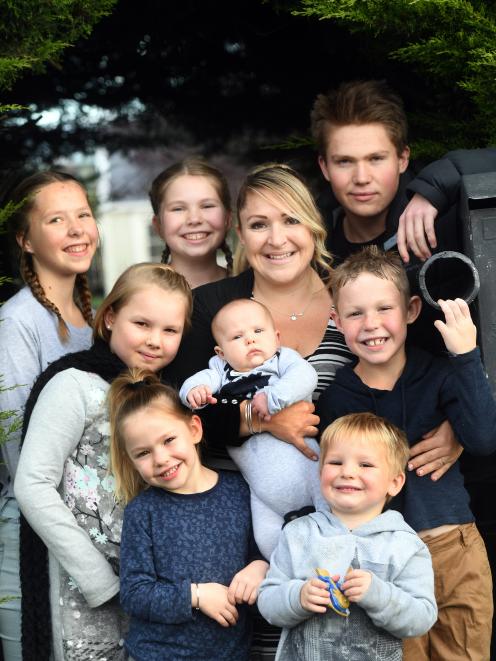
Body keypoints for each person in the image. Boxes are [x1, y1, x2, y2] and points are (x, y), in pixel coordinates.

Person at [166, 163, 453, 658]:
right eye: (259, 224)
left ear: (314, 224)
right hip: (246, 512)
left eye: (291, 220)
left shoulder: (353, 290)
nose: (277, 238)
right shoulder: (212, 307)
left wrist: (454, 427)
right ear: (240, 233)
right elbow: (179, 413)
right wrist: (259, 419)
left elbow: (422, 365)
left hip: (348, 510)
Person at [317, 246, 496, 660]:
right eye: (356, 313)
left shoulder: (439, 372)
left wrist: (466, 354)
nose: (372, 324)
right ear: (336, 320)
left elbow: (484, 437)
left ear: (412, 310)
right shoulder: (337, 398)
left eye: (385, 309)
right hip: (385, 561)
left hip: (453, 545)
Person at [13, 263, 192, 661]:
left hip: (147, 587)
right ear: (110, 317)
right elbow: (32, 484)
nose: (154, 340)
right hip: (82, 587)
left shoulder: (164, 398)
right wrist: (99, 581)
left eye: (170, 330)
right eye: (142, 323)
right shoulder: (73, 385)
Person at [0, 170, 98, 661]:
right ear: (26, 239)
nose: (78, 229)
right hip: (36, 534)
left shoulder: (94, 319)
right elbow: (21, 459)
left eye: (83, 214)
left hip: (89, 532)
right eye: (57, 219)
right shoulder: (17, 322)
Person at [108, 368, 268, 661]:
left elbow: (262, 551)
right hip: (156, 654)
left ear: (194, 429)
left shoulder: (239, 491)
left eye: (169, 440)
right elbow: (134, 594)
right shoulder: (143, 511)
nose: (160, 459)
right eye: (143, 453)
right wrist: (195, 596)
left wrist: (259, 567)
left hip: (230, 654)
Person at [258, 412, 437, 661]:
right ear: (320, 472)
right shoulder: (298, 533)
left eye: (365, 465)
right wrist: (298, 597)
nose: (348, 472)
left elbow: (422, 618)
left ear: (394, 483)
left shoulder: (405, 545)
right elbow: (267, 601)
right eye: (335, 462)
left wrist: (378, 594)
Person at [179, 298, 325, 559]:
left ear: (276, 337)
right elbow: (198, 382)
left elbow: (306, 377)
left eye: (258, 331)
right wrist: (193, 390)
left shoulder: (282, 359)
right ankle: (286, 577)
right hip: (261, 489)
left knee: (331, 520)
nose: (250, 340)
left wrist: (274, 397)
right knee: (268, 542)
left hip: (308, 469)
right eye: (237, 336)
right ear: (221, 352)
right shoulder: (220, 370)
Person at [310, 79, 461, 265]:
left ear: (402, 159)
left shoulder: (443, 221)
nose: (362, 178)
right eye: (345, 161)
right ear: (324, 167)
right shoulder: (310, 249)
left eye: (376, 159)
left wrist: (435, 188)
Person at [149, 156, 233, 288]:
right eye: (178, 209)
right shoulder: (142, 297)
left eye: (207, 206)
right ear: (158, 225)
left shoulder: (252, 290)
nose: (194, 219)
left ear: (227, 219)